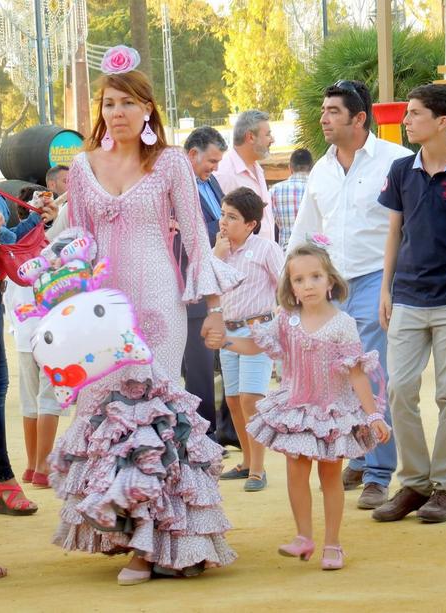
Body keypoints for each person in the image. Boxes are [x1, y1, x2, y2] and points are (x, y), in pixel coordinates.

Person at [65, 45, 243, 579]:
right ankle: (125, 530)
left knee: (155, 417)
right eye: (108, 103)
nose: (116, 112)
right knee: (110, 417)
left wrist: (214, 309)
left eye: (126, 103)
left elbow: (196, 234)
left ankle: (156, 544)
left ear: (147, 110)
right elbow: (76, 241)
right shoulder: (81, 165)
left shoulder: (168, 163)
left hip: (159, 306)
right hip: (103, 312)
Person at [207, 239, 391, 569]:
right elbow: (256, 346)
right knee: (296, 472)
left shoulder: (342, 324)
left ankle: (333, 543)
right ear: (290, 286)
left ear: (330, 280)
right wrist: (228, 340)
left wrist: (374, 414)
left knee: (330, 477)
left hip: (331, 411)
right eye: (299, 279)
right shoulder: (286, 320)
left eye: (315, 276)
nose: (308, 285)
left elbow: (357, 374)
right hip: (296, 410)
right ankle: (304, 537)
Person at [287, 80, 410, 510]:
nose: (323, 117)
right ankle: (358, 458)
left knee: (370, 378)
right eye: (323, 110)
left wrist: (394, 286)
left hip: (378, 281)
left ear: (359, 119)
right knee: (335, 380)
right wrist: (292, 286)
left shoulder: (396, 162)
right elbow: (305, 230)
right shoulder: (320, 169)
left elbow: (411, 225)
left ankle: (378, 473)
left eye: (333, 111)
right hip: (331, 287)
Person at [373, 83, 446, 524]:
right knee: (399, 390)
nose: (406, 121)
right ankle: (414, 484)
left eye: (414, 114)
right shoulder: (402, 170)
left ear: (442, 121)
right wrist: (385, 289)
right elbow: (394, 232)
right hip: (406, 296)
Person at [214, 187, 284, 491]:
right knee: (232, 399)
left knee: (250, 398)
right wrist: (216, 257)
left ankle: (258, 468)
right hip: (228, 333)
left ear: (251, 224)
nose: (224, 222)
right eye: (222, 214)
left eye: (232, 217)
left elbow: (285, 285)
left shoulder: (266, 249)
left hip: (258, 331)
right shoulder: (218, 250)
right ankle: (245, 463)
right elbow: (207, 289)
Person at [0, 190, 56, 515]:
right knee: (44, 399)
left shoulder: (9, 245)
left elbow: (11, 247)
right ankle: (32, 470)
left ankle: (22, 470)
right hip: (43, 331)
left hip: (17, 326)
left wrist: (35, 218)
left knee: (12, 394)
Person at [182, 126, 237, 446]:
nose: (215, 168)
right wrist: (222, 230)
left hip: (218, 283)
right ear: (192, 154)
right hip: (194, 288)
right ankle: (204, 435)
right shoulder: (177, 189)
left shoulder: (211, 182)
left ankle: (224, 431)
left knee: (220, 362)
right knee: (200, 368)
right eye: (212, 161)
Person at [214, 110, 276, 241]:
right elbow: (222, 226)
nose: (272, 140)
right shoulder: (225, 173)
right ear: (251, 137)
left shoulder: (256, 168)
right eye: (268, 134)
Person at [270, 148, 313, 251]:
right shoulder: (319, 188)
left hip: (286, 252)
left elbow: (268, 223)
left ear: (290, 168)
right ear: (312, 167)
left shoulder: (274, 190)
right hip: (315, 253)